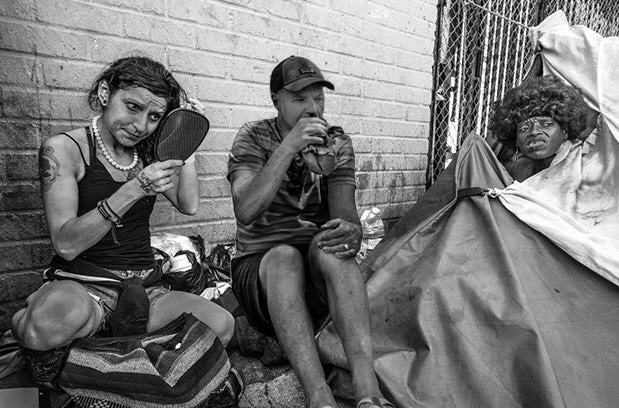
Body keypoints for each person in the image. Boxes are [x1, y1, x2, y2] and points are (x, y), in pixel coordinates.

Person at [12, 56, 234, 356]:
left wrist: (187, 140)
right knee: (44, 327)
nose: (141, 125)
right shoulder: (65, 149)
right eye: (132, 107)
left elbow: (188, 204)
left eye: (154, 117)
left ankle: (105, 352)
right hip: (85, 285)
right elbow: (65, 244)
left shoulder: (147, 153)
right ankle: (121, 350)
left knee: (221, 325)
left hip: (144, 289)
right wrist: (135, 188)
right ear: (105, 93)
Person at [227, 56, 394, 408]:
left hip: (315, 280)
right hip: (261, 275)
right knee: (285, 257)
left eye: (318, 98)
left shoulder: (336, 142)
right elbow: (246, 210)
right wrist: (288, 147)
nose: (312, 108)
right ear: (276, 99)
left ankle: (367, 387)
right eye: (300, 99)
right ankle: (318, 395)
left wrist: (351, 232)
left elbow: (345, 217)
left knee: (332, 247)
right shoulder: (252, 137)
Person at [487, 75, 592, 181]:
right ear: (516, 140)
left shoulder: (585, 168)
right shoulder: (513, 171)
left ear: (565, 132)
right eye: (524, 128)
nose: (534, 132)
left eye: (546, 124)